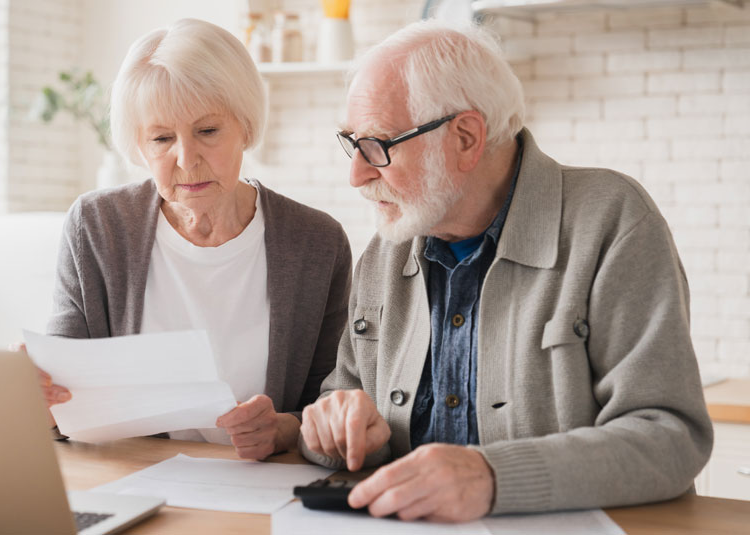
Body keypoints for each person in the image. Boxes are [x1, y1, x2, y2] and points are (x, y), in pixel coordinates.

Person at [299, 19, 713, 522]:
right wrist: (335, 428)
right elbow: (341, 399)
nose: (357, 174)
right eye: (352, 142)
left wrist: (492, 477)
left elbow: (670, 437)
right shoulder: (385, 251)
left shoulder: (612, 221)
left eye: (378, 146)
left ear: (467, 137)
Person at [37, 18, 352, 460]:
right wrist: (38, 396)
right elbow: (61, 402)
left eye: (207, 131)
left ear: (244, 125)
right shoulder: (96, 227)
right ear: (139, 146)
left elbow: (333, 401)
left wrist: (282, 430)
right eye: (162, 138)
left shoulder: (317, 243)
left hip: (261, 485)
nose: (186, 159)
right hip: (129, 480)